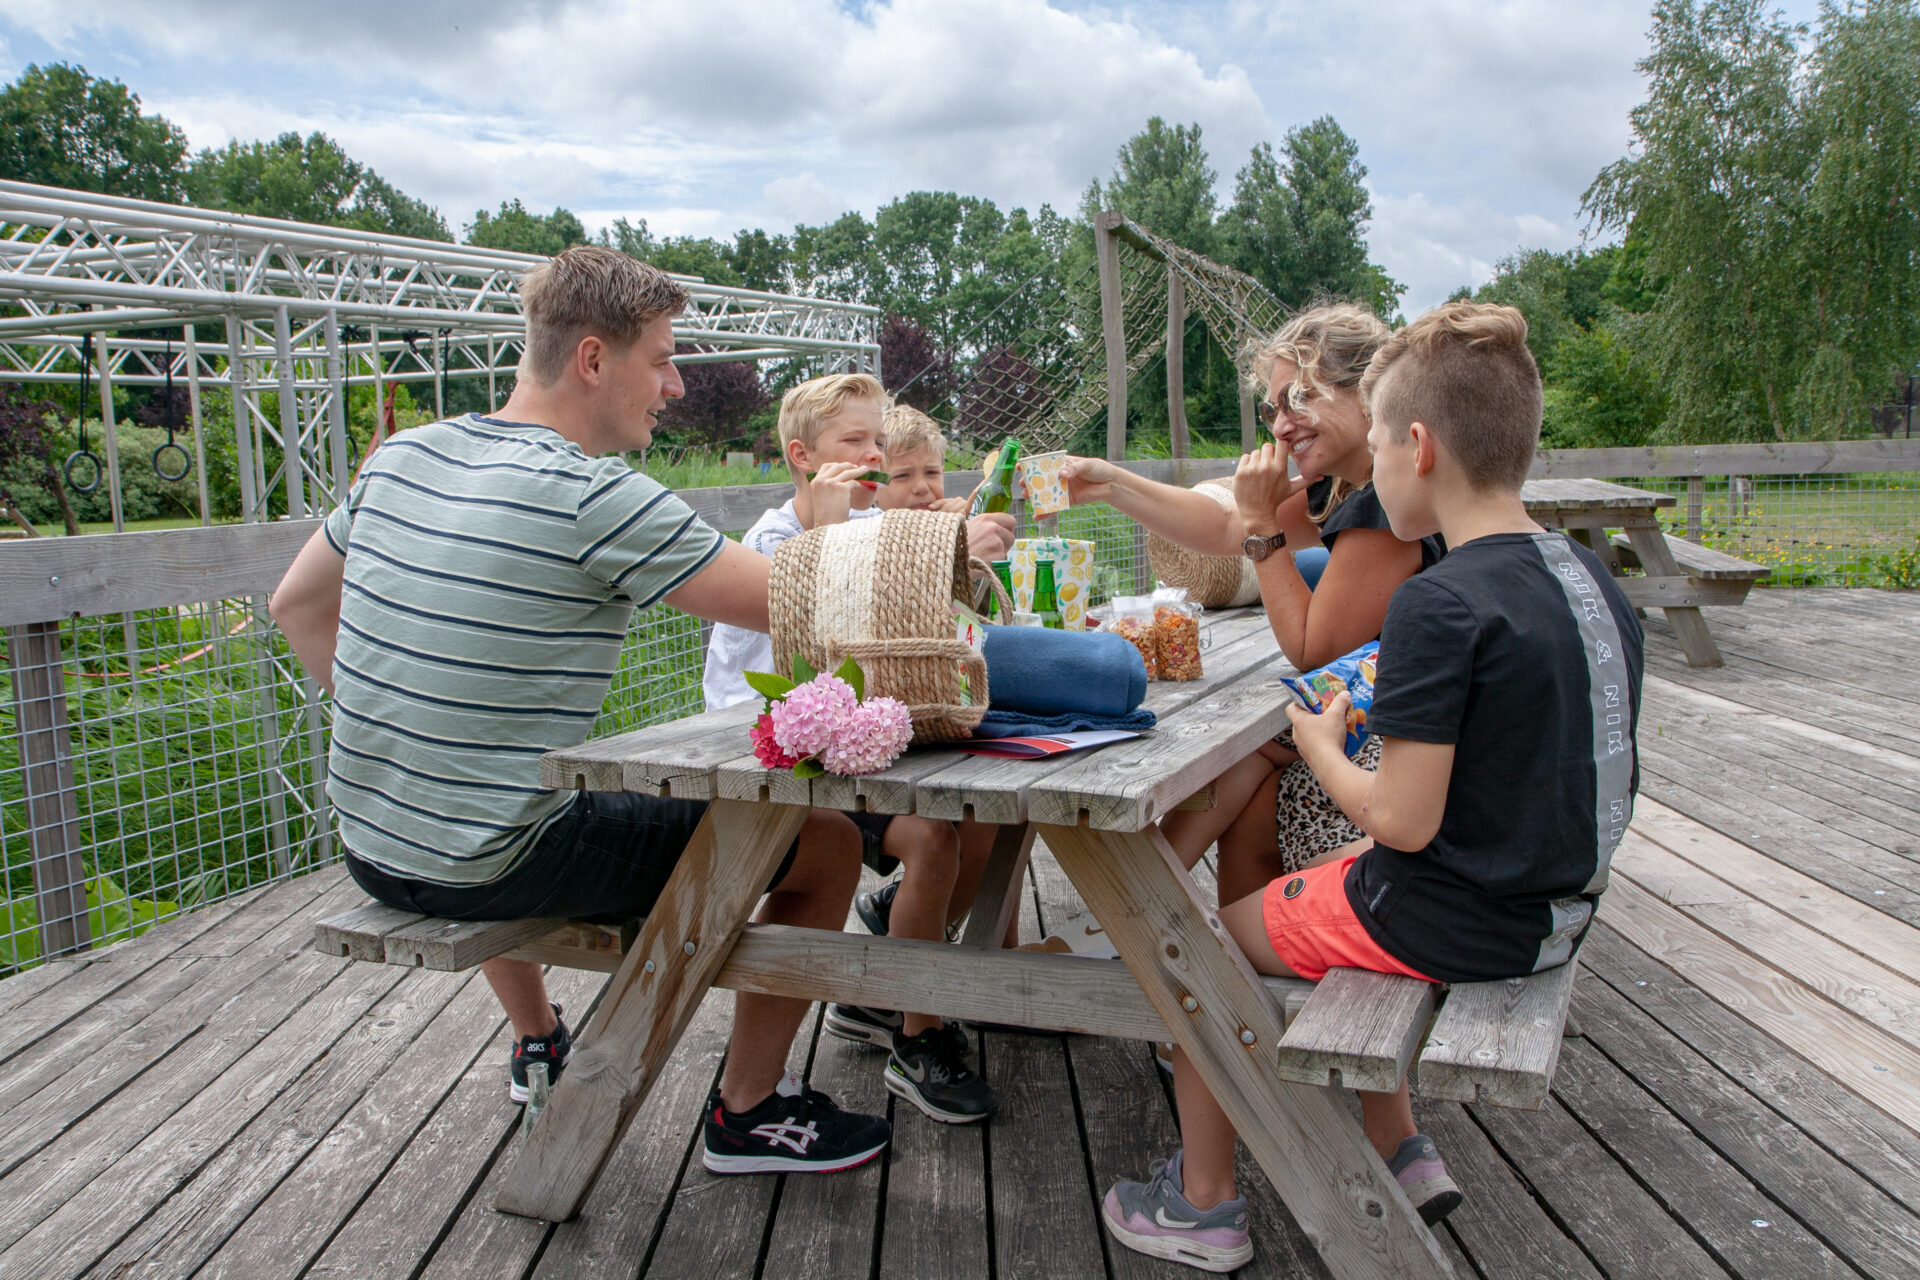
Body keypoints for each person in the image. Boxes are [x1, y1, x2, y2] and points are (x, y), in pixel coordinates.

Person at [269, 246, 890, 1176]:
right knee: (828, 841)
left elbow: (296, 607)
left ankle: (540, 1034)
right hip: (496, 858)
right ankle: (750, 1113)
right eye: (663, 359)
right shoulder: (593, 494)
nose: (676, 386)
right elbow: (793, 603)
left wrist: (413, 733)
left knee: (501, 791)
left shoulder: (405, 455)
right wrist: (828, 523)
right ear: (594, 360)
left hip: (371, 846)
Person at [1100, 301, 1644, 1271]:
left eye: (1384, 445)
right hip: (1559, 905)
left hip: (1461, 917)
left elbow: (1399, 817)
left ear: (1419, 446)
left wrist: (1316, 744)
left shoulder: (1442, 599)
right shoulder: (1591, 576)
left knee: (1201, 944)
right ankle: (1401, 1143)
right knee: (1290, 865)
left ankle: (1203, 1202)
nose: (1372, 478)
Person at [1060, 302, 1443, 906]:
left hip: (1413, 756)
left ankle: (1136, 920)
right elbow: (1224, 527)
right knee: (1245, 771)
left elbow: (1313, 648)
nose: (1281, 425)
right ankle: (1141, 924)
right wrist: (1113, 484)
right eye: (1273, 408)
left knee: (1239, 762)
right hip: (1386, 718)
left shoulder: (1384, 502)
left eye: (1300, 399)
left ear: (1366, 394)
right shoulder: (1347, 479)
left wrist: (1264, 523)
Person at [703, 386, 1015, 1123]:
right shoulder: (772, 543)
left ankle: (894, 975)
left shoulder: (879, 520)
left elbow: (924, 628)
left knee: (998, 814)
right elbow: (818, 639)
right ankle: (917, 1031)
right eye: (856, 443)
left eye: (880, 441)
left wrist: (957, 552)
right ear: (802, 458)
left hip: (872, 745)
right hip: (784, 762)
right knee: (936, 836)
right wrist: (902, 541)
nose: (876, 457)